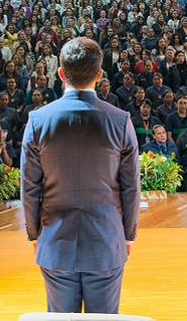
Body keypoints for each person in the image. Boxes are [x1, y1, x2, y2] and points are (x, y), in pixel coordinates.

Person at [21, 37, 140, 314]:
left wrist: (34, 234)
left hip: (55, 241)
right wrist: (128, 235)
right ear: (99, 75)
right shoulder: (120, 120)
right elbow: (131, 187)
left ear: (60, 74)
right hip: (106, 241)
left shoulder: (38, 121)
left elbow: (29, 187)